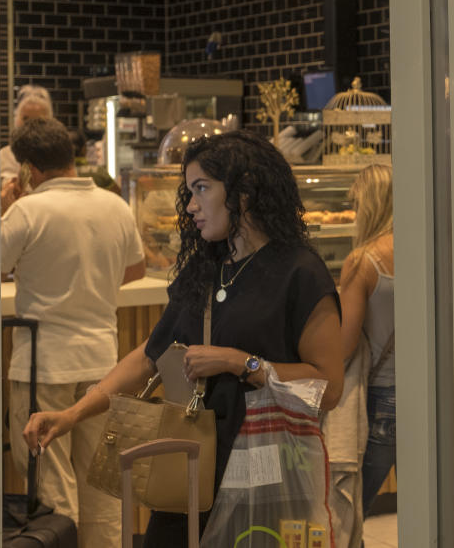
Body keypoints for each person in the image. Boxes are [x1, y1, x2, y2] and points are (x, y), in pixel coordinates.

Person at [23, 130, 344, 546]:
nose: (191, 205)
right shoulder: (205, 266)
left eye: (202, 189)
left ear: (243, 192)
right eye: (188, 191)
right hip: (189, 464)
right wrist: (72, 415)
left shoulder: (300, 273)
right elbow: (150, 355)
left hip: (265, 472)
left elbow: (328, 386)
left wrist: (239, 362)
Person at [1, 117, 146, 548]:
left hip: (43, 363)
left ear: (28, 169)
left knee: (51, 486)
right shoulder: (114, 205)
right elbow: (136, 269)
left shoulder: (28, 210)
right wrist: (91, 285)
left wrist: (4, 207)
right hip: (103, 364)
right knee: (102, 484)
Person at [325, 164, 396, 545]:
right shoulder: (435, 247)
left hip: (381, 397)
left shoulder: (364, 261)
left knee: (352, 511)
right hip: (434, 396)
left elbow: (344, 344)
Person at [1, 84, 54, 186]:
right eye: (25, 119)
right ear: (17, 121)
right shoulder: (6, 155)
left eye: (38, 120)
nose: (31, 125)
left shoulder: (57, 155)